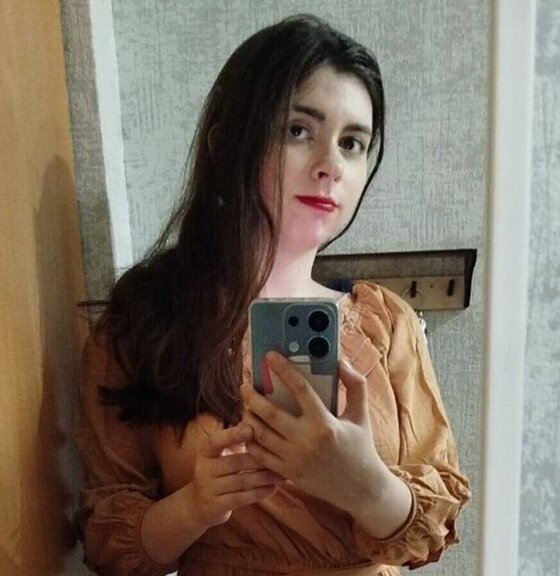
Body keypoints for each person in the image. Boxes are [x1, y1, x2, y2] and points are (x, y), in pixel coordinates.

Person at [74, 14, 470, 576]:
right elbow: (108, 544)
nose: (331, 165)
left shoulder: (386, 324)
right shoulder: (145, 324)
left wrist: (364, 485)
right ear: (227, 143)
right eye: (298, 131)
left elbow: (434, 528)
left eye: (352, 143)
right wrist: (196, 505)